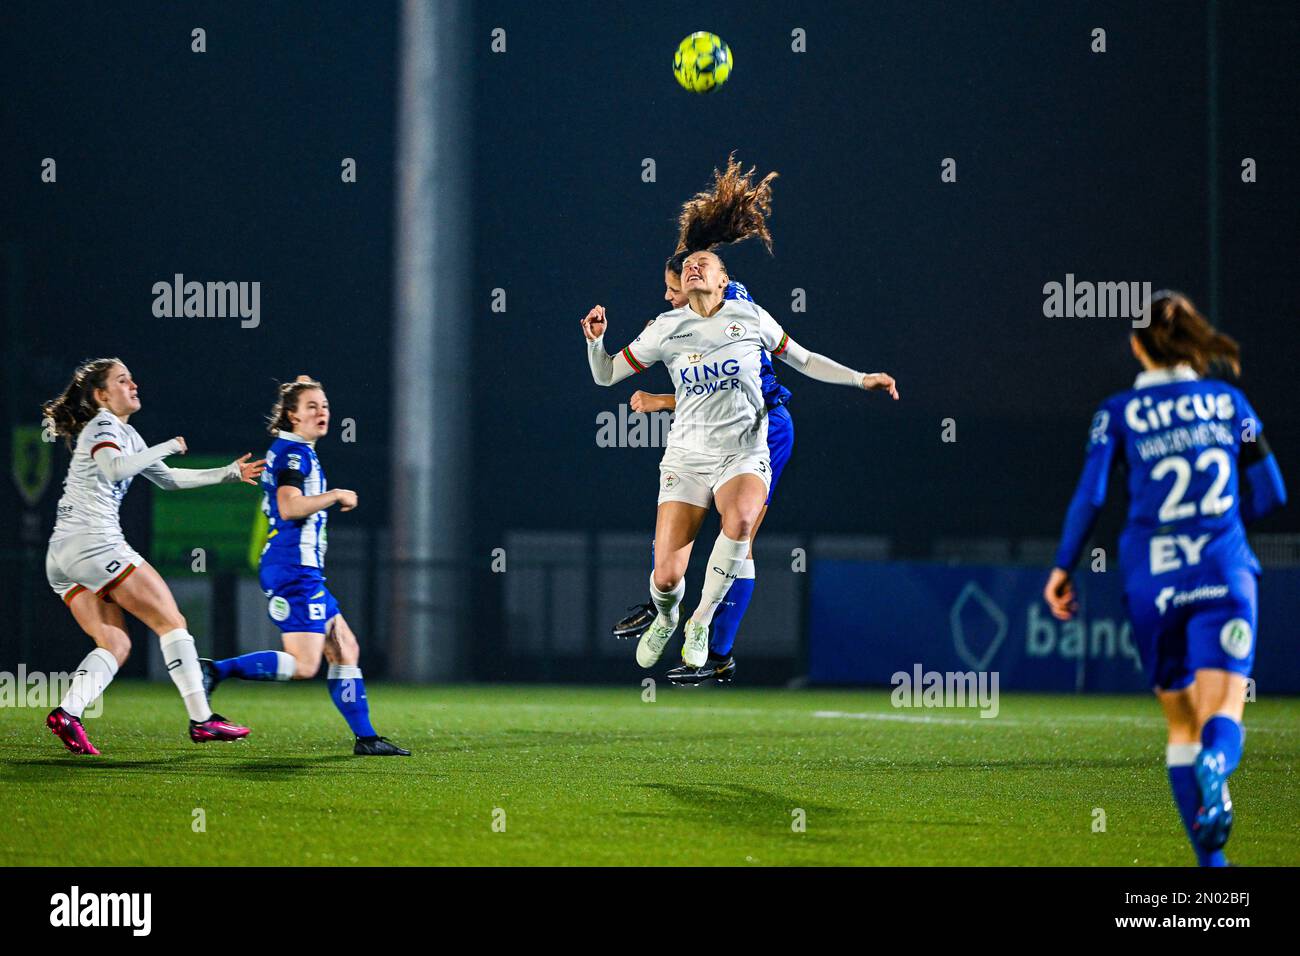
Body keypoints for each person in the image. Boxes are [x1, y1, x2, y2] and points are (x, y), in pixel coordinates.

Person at [1044, 291, 1286, 866]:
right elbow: (1273, 493)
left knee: (1181, 723)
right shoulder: (1230, 403)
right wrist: (1222, 531)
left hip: (1152, 579)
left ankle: (1212, 868)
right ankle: (1216, 765)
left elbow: (1091, 497)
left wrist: (1062, 568)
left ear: (1137, 345)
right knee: (1222, 714)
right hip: (1223, 573)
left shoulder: (1118, 412)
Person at [583, 238, 898, 673]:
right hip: (688, 455)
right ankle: (669, 614)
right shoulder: (665, 328)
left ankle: (701, 621)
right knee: (667, 578)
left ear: (723, 279)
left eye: (704, 263)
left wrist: (862, 380)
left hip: (745, 450)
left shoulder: (749, 316)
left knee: (742, 523)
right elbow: (605, 375)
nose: (693, 267)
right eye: (689, 264)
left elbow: (804, 360)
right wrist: (596, 342)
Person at [42, 357, 261, 754]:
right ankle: (202, 719)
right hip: (95, 543)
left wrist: (227, 473)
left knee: (115, 644)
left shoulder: (124, 432)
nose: (133, 385)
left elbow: (169, 479)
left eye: (131, 379)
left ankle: (67, 713)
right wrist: (170, 445)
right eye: (122, 381)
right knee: (172, 621)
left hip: (63, 555)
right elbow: (114, 469)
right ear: (101, 395)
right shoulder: (105, 424)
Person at [201, 376, 410, 756]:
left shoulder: (298, 450)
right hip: (293, 569)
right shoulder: (293, 454)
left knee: (345, 647)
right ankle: (215, 671)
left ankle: (367, 739)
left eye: (325, 406)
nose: (322, 412)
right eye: (311, 406)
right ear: (291, 417)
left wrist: (302, 386)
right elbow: (289, 506)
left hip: (301, 569)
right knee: (303, 665)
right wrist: (336, 495)